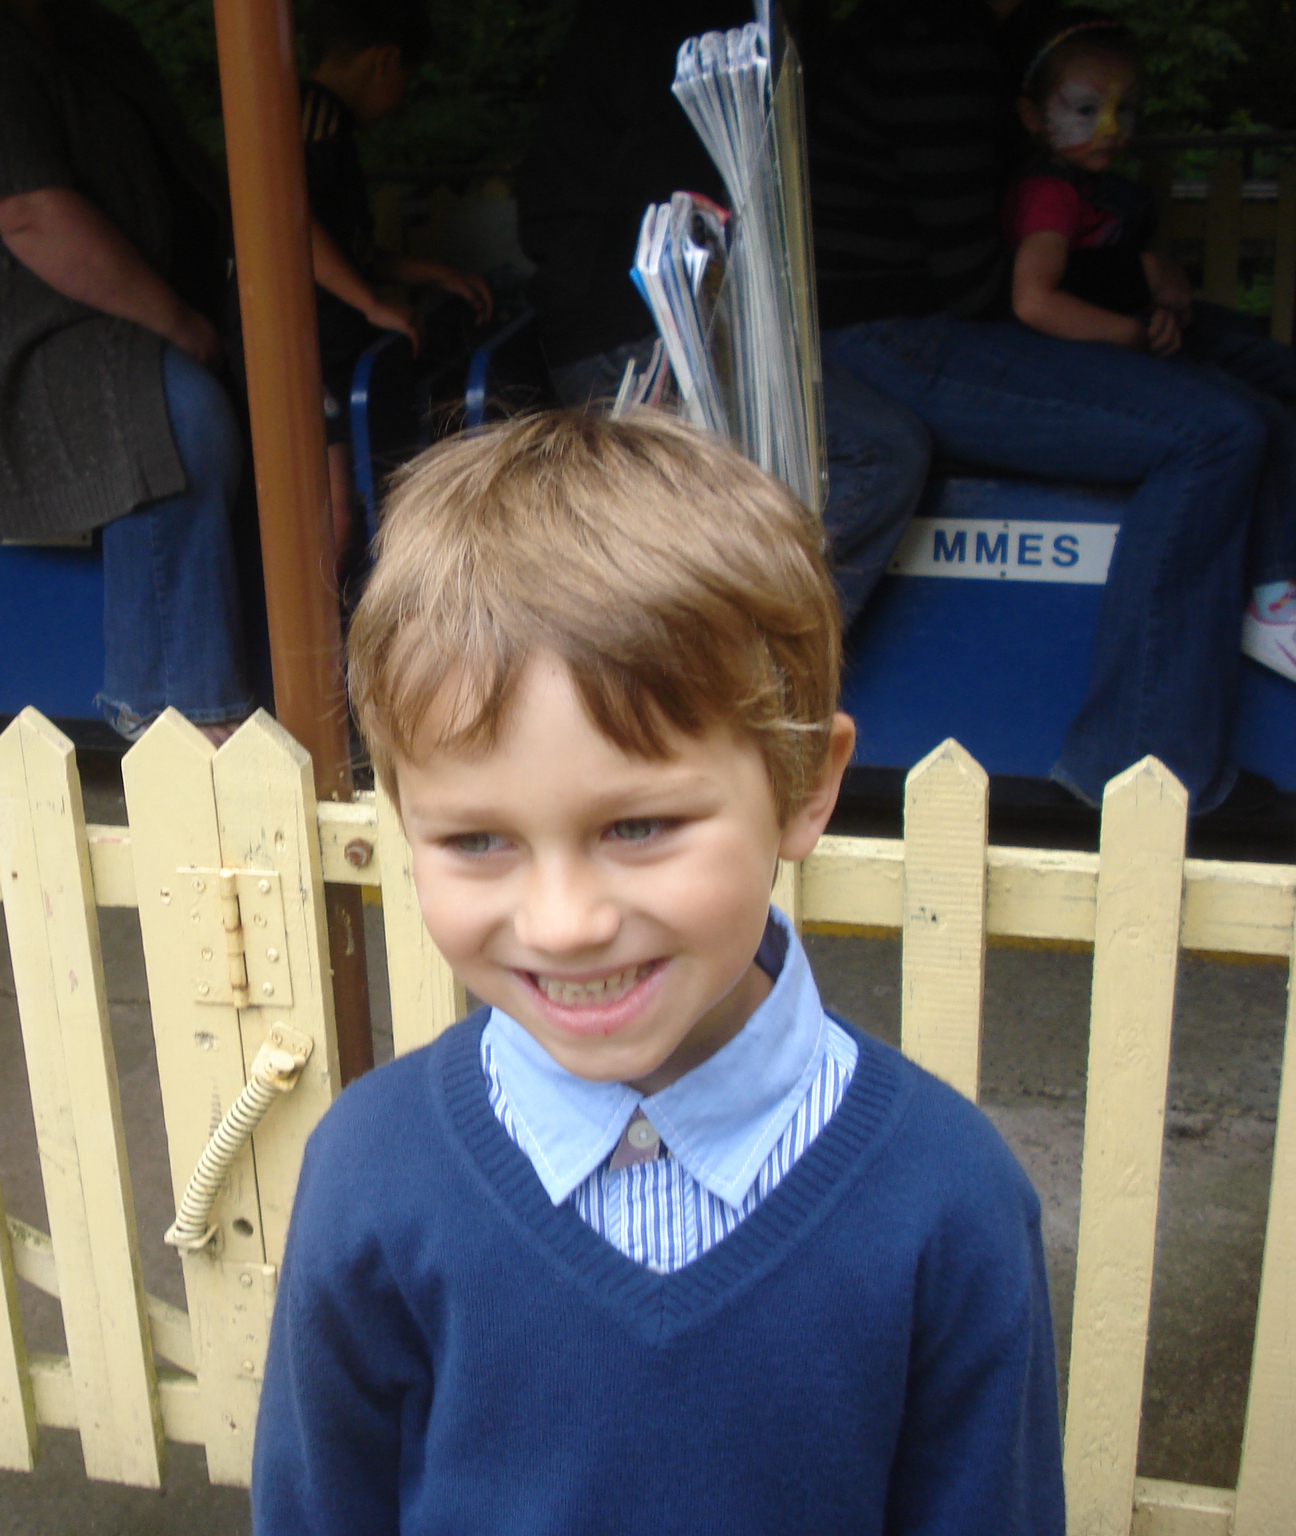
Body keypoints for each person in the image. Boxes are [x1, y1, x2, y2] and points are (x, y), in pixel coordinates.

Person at [252, 410, 1064, 1534]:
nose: (565, 923)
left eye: (637, 826)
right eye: (477, 839)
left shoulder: (947, 1202)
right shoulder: (371, 1176)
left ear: (804, 784)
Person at [806, 0, 1269, 814]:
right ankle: (1143, 774)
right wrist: (1128, 306)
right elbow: (985, 286)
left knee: (1243, 390)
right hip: (891, 334)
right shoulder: (933, 46)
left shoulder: (965, 44)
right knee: (1214, 432)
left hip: (920, 322)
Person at [0, 0, 253, 743]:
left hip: (102, 316)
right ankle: (175, 715)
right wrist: (181, 322)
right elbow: (29, 213)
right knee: (180, 416)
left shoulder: (91, 33)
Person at [512, 0, 927, 626]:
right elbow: (672, 198)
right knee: (877, 452)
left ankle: (733, 648)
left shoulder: (668, 30)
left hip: (631, 314)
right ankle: (747, 654)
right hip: (642, 326)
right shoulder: (695, 39)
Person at [1001, 13, 1296, 684]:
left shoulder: (1103, 191)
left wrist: (1158, 306)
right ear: (1032, 115)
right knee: (1256, 413)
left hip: (1131, 337)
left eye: (1125, 108)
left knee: (1267, 364)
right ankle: (1275, 597)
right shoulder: (1049, 193)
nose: (1110, 126)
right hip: (1082, 359)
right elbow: (1034, 299)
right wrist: (1131, 333)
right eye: (1085, 109)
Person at [297, 0, 491, 582]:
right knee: (336, 518)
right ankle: (314, 632)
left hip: (334, 347)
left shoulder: (329, 124)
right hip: (305, 345)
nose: (404, 97)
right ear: (383, 61)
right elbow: (289, 224)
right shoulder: (315, 120)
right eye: (407, 77)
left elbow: (347, 249)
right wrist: (370, 301)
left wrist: (428, 273)